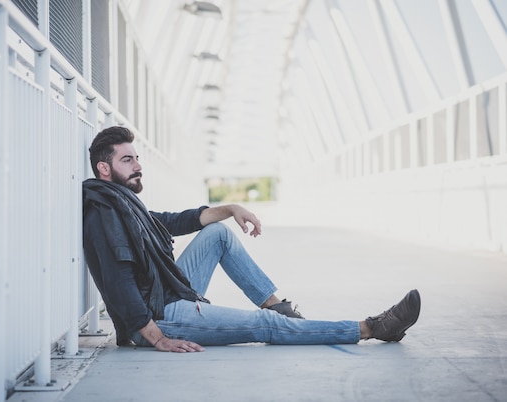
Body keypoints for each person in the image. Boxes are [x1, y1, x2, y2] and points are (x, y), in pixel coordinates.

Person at [82, 126, 421, 353]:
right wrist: (158, 339)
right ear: (104, 169)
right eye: (128, 160)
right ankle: (371, 328)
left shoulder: (122, 203)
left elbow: (172, 221)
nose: (138, 165)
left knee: (217, 233)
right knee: (262, 326)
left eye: (137, 157)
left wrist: (230, 208)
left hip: (164, 294)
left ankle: (280, 308)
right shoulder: (105, 214)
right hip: (159, 317)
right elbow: (118, 283)